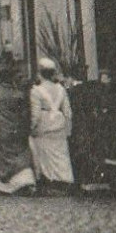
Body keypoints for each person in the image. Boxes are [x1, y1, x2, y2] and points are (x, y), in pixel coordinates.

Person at [30, 57, 75, 191]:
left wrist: (32, 127)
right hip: (59, 125)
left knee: (42, 152)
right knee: (60, 153)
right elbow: (67, 111)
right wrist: (68, 128)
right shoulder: (61, 89)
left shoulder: (36, 91)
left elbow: (35, 114)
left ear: (40, 73)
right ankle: (63, 179)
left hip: (44, 125)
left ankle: (46, 179)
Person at [0, 66, 36, 196]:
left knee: (4, 156)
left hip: (1, 128)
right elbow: (25, 112)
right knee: (20, 153)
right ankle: (26, 180)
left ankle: (7, 185)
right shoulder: (18, 94)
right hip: (17, 128)